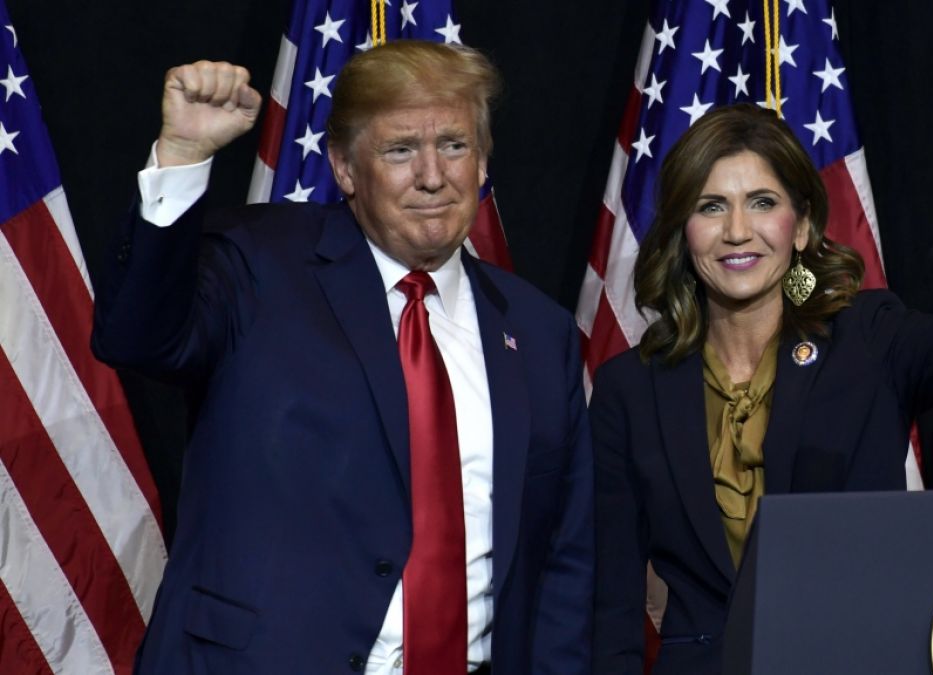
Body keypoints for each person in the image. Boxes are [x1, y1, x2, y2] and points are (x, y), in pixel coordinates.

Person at [91, 41, 592, 675]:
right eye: (400, 149)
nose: (433, 175)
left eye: (456, 146)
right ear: (346, 168)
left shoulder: (540, 333)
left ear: (484, 159)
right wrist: (185, 156)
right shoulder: (258, 264)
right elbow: (136, 338)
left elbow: (562, 566)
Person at [589, 50, 933, 674]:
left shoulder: (869, 340)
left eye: (762, 202)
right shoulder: (632, 386)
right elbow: (611, 602)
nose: (738, 231)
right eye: (711, 207)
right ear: (684, 231)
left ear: (804, 225)